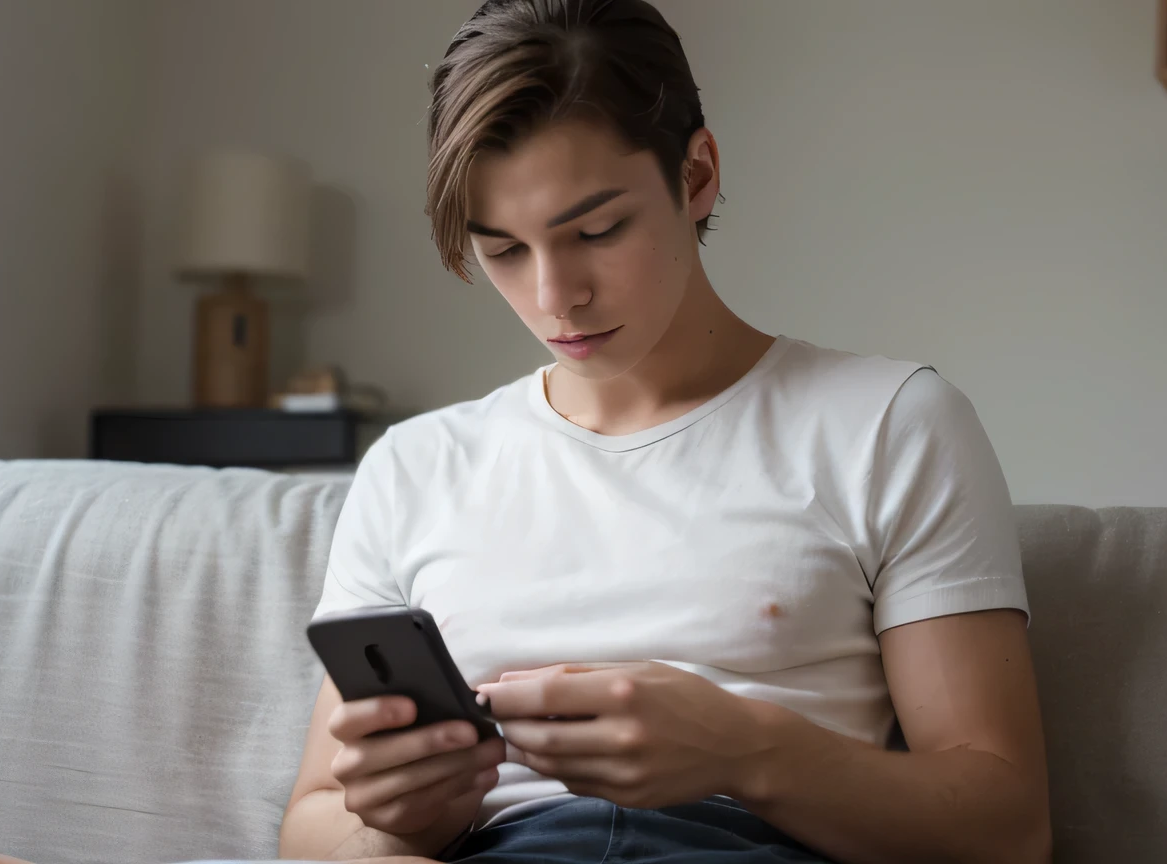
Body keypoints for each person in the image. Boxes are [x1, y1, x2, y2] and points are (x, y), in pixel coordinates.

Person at [278, 1, 1050, 863]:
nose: (553, 299)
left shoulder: (890, 424)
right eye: (502, 250)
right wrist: (397, 826)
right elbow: (313, 822)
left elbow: (1007, 830)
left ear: (698, 174)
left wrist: (744, 750)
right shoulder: (415, 467)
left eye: (597, 230)